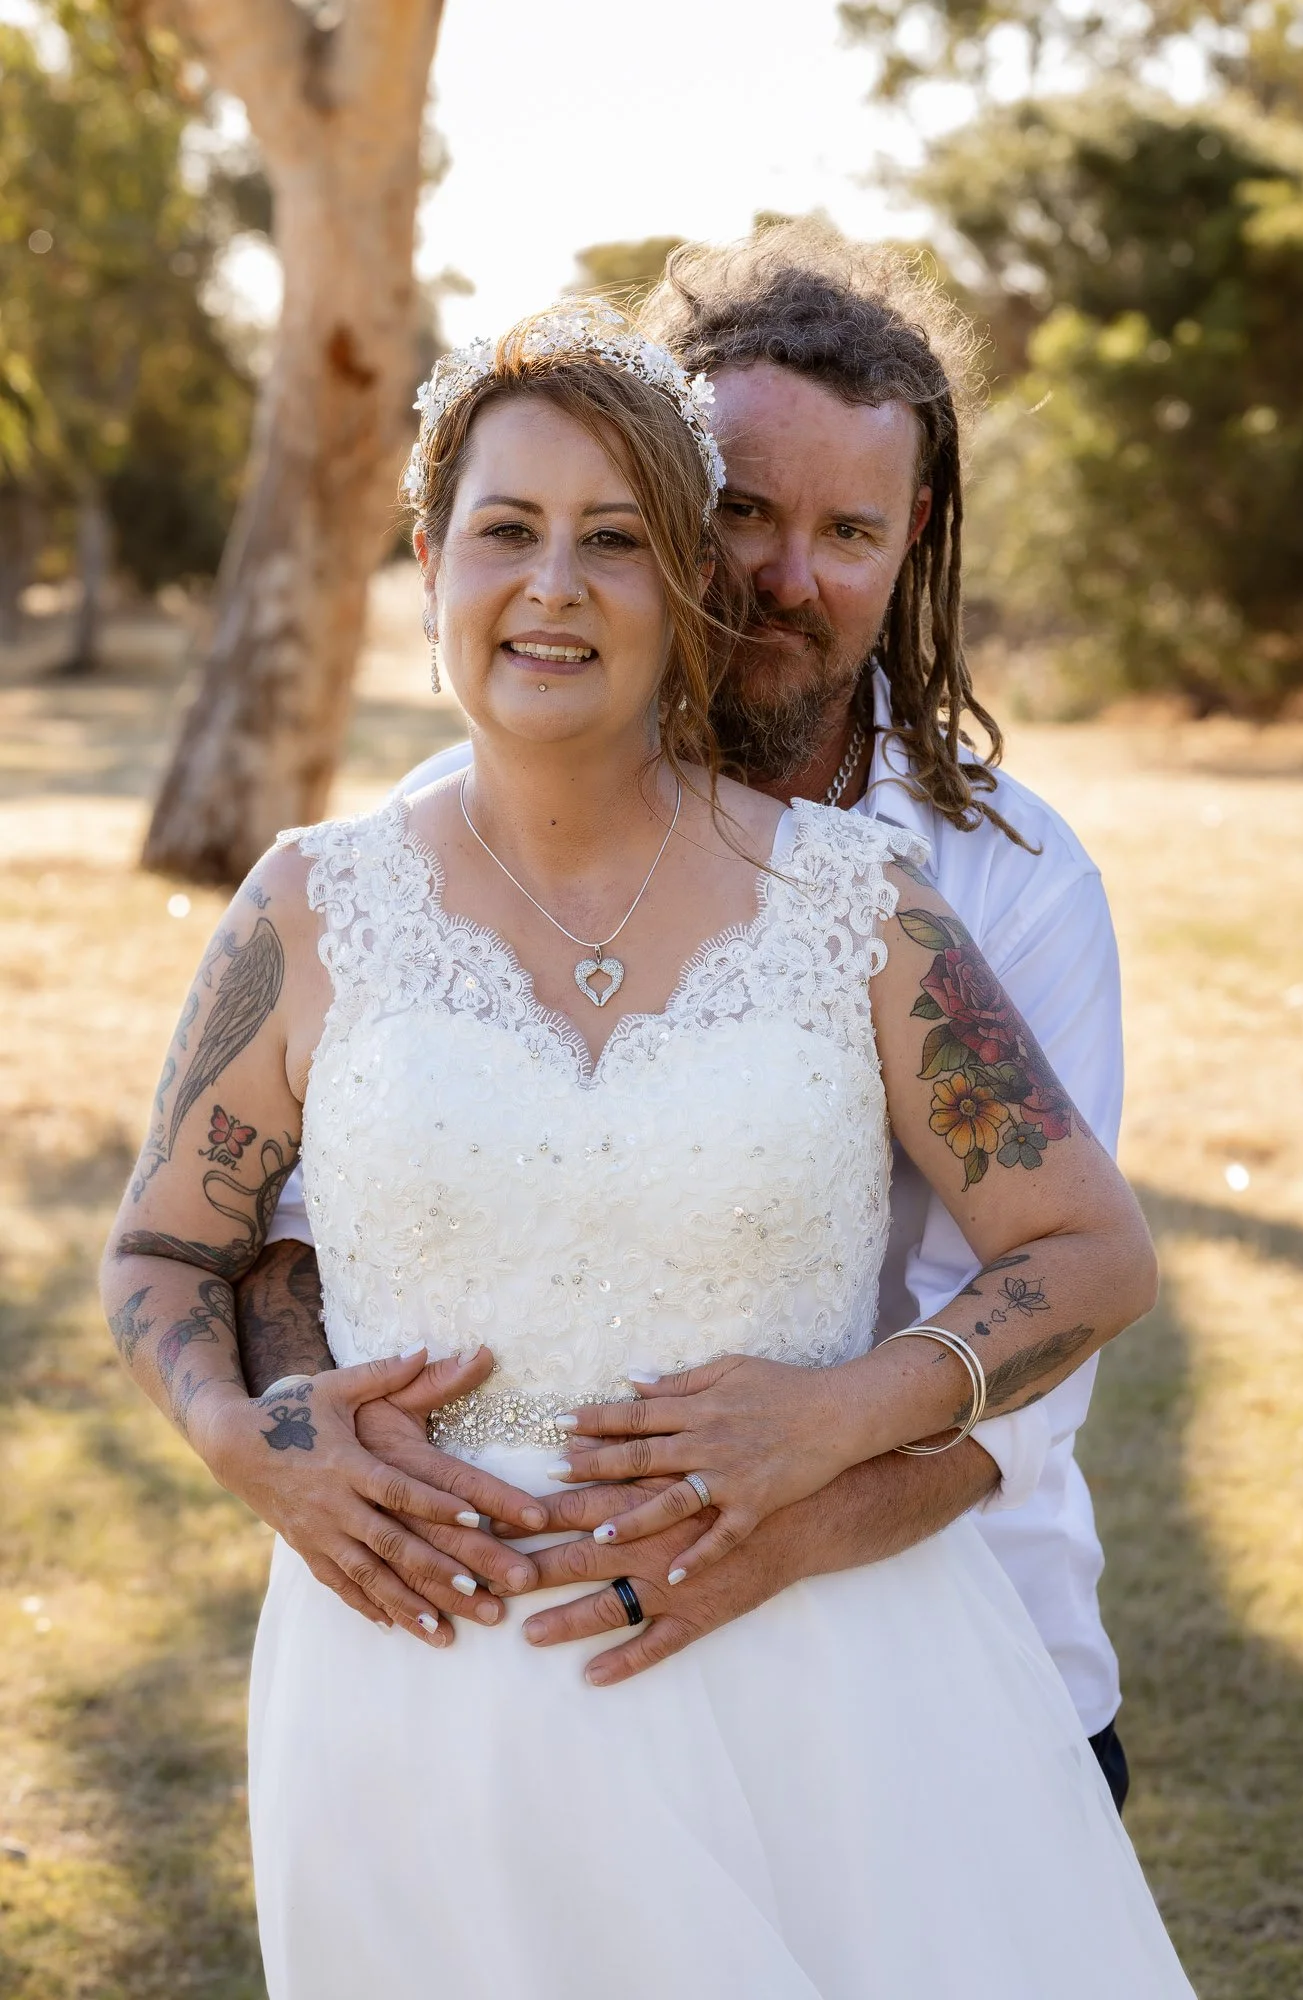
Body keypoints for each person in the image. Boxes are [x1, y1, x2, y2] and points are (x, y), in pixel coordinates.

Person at [102, 298, 1194, 1996]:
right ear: (429, 557)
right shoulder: (316, 904)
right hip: (416, 1686)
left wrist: (839, 1417)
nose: (553, 585)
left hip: (830, 1671)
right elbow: (177, 1246)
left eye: (612, 541)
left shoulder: (865, 899)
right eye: (507, 533)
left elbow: (1090, 1251)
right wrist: (252, 1435)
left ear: (672, 584)